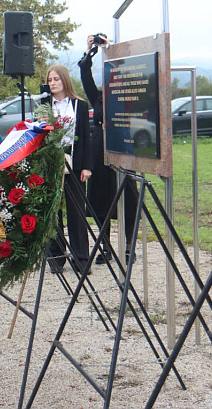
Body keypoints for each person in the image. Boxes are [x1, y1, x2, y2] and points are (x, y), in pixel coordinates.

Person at [78, 37, 138, 264]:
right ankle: (105, 246)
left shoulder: (127, 93)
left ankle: (129, 246)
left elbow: (130, 68)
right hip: (99, 150)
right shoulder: (99, 97)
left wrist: (113, 48)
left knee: (128, 197)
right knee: (100, 198)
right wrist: (91, 51)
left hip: (123, 147)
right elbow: (85, 75)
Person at [42, 64, 92, 274]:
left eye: (56, 79)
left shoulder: (79, 105)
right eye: (50, 80)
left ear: (64, 80)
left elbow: (86, 137)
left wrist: (87, 166)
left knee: (76, 210)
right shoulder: (44, 104)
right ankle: (56, 257)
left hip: (74, 160)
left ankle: (81, 258)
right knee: (53, 211)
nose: (53, 83)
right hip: (52, 160)